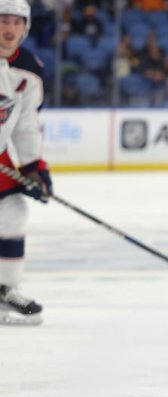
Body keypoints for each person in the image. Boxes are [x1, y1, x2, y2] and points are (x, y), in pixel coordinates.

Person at [0, 0, 52, 326]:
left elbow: (25, 125)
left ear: (26, 27)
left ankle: (6, 288)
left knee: (13, 212)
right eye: (2, 20)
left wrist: (34, 168)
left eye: (16, 22)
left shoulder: (30, 69)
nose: (9, 28)